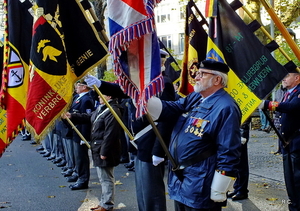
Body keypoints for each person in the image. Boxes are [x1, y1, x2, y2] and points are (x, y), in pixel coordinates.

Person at [85, 49, 176, 211]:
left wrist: (158, 151)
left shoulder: (163, 83)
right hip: (141, 143)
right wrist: (99, 84)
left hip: (152, 145)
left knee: (152, 193)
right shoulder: (143, 82)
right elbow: (123, 90)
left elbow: (166, 119)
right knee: (142, 191)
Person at [147, 60, 242, 211]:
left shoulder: (226, 107)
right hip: (182, 178)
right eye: (198, 73)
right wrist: (144, 101)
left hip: (201, 181)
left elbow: (229, 150)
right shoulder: (196, 97)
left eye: (202, 74)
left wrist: (219, 188)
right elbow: (172, 108)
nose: (196, 77)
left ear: (217, 79)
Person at [63, 93, 122, 211]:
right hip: (98, 147)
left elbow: (110, 134)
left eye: (102, 95)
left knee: (106, 178)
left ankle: (107, 204)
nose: (99, 97)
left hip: (105, 149)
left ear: (109, 96)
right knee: (103, 178)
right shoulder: (102, 108)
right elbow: (89, 117)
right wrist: (72, 116)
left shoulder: (112, 110)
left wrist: (104, 152)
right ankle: (103, 202)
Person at [259, 68, 300, 211]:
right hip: (287, 142)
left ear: (297, 78)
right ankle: (293, 205)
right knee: (289, 179)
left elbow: (292, 107)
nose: (283, 78)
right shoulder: (287, 93)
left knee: (297, 180)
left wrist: (268, 104)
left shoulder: (298, 92)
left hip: (297, 142)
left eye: (287, 75)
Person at [65, 80, 95, 190]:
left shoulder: (86, 99)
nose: (76, 87)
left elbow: (87, 119)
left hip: (81, 133)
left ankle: (83, 179)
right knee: (77, 157)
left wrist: (85, 137)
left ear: (84, 87)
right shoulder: (78, 98)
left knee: (82, 158)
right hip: (75, 131)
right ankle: (79, 174)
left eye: (79, 85)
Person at [228, 118, 251, 200]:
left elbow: (246, 114)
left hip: (240, 130)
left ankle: (242, 190)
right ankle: (237, 187)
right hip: (233, 128)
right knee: (236, 162)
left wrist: (243, 132)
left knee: (241, 161)